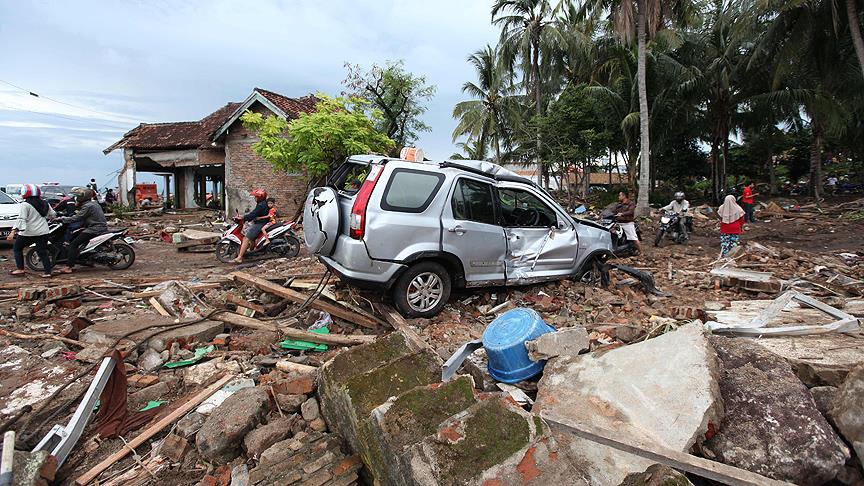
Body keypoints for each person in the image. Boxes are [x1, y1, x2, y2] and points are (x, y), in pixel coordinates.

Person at [7, 184, 55, 278]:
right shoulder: (45, 203)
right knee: (42, 252)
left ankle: (20, 269)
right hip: (43, 232)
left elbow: (21, 219)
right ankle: (48, 272)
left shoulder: (25, 205)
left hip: (28, 232)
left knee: (17, 248)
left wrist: (13, 231)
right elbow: (52, 215)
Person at [57, 188, 107, 274]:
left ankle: (68, 267)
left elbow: (77, 218)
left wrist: (62, 219)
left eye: (77, 196)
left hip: (94, 228)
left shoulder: (87, 206)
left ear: (82, 197)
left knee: (73, 244)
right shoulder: (93, 204)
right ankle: (86, 260)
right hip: (99, 227)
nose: (76, 198)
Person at [233, 188, 269, 264]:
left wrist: (243, 218)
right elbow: (253, 213)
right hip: (261, 222)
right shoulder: (263, 203)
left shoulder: (261, 205)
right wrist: (244, 216)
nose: (255, 198)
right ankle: (251, 252)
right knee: (252, 239)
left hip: (260, 224)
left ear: (260, 197)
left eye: (256, 197)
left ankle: (239, 257)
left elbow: (253, 214)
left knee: (246, 238)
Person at [614, 190, 641, 255]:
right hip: (618, 222)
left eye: (619, 195)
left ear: (624, 196)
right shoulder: (619, 204)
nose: (618, 197)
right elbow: (613, 211)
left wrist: (622, 214)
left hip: (627, 223)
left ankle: (640, 252)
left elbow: (631, 212)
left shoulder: (630, 203)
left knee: (633, 238)